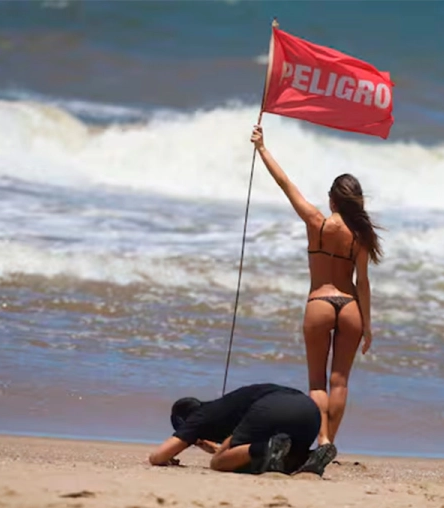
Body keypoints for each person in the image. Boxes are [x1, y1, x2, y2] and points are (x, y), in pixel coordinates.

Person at [251, 124, 383, 454]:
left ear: (332, 200)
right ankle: (329, 444)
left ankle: (321, 438)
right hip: (350, 307)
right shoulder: (361, 236)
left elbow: (285, 184)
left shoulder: (317, 223)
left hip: (320, 302)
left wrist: (262, 148)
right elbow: (363, 283)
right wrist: (367, 325)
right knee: (340, 381)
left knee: (317, 382)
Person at [148, 383, 337, 476]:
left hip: (271, 407)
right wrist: (210, 445)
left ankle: (265, 447)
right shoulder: (222, 407)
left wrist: (193, 442)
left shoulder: (199, 416)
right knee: (284, 458)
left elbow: (158, 457)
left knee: (218, 463)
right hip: (309, 410)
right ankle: (309, 456)